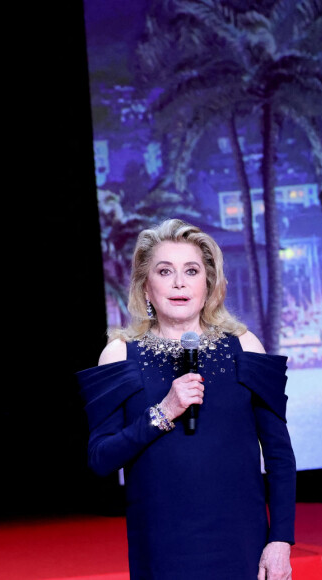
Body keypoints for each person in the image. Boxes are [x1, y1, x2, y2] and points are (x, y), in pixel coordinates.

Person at [77, 218, 296, 580]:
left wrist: (281, 541)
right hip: (162, 547)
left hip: (241, 544)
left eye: (191, 271)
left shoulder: (244, 346)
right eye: (165, 271)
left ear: (208, 285)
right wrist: (163, 412)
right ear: (146, 287)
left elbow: (280, 456)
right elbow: (100, 459)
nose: (179, 282)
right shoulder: (119, 354)